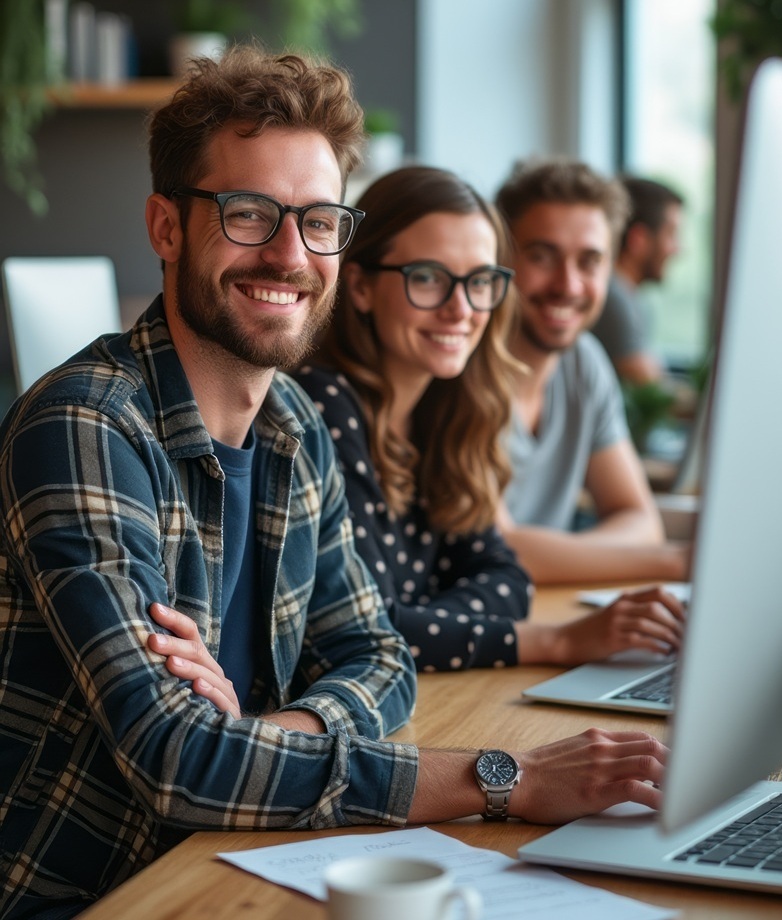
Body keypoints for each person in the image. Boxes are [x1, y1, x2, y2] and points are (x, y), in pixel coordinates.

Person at [0, 48, 669, 920]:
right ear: (166, 228)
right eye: (248, 214)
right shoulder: (84, 428)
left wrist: (258, 733)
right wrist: (508, 778)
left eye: (318, 221)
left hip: (250, 853)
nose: (289, 254)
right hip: (96, 895)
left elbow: (380, 657)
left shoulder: (291, 426)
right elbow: (175, 762)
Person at [291, 164, 682, 672]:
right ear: (361, 286)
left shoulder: (443, 410)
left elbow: (507, 577)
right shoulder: (321, 404)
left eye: (479, 281)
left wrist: (422, 625)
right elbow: (364, 633)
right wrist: (558, 642)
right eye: (428, 278)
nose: (461, 309)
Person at [494, 158, 691, 585]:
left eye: (589, 261)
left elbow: (640, 520)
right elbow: (500, 552)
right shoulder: (458, 369)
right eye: (543, 256)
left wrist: (551, 556)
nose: (568, 285)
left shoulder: (584, 360)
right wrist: (676, 563)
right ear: (500, 256)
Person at [591, 176, 684, 385]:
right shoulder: (614, 298)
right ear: (638, 240)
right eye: (671, 234)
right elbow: (651, 386)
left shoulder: (628, 297)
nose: (678, 249)